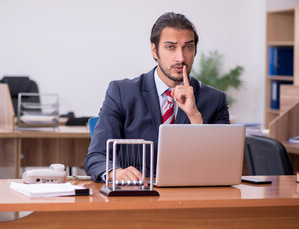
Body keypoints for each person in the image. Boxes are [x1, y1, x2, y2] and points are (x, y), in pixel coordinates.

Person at [84, 12, 230, 183]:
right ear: (154, 50)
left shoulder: (215, 100)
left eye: (188, 47)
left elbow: (223, 163)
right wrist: (114, 172)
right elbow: (96, 156)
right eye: (170, 47)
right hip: (140, 194)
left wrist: (195, 116)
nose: (181, 58)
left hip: (192, 195)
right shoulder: (122, 92)